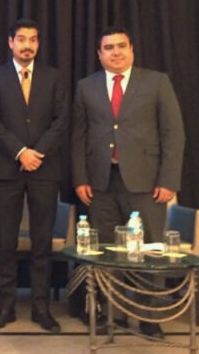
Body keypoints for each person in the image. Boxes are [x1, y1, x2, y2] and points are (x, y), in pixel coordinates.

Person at [71, 26, 185, 338]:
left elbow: (173, 134)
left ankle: (150, 318)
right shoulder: (86, 87)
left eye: (121, 46)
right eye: (109, 48)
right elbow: (78, 136)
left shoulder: (156, 82)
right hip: (100, 183)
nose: (116, 52)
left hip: (147, 183)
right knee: (107, 252)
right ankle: (112, 314)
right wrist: (80, 178)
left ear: (131, 49)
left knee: (148, 251)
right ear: (99, 54)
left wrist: (168, 179)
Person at [0, 19, 69, 333]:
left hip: (45, 168)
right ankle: (5, 307)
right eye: (21, 39)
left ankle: (40, 307)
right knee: (6, 241)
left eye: (33, 40)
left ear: (38, 44)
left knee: (41, 242)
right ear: (11, 42)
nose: (27, 45)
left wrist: (37, 153)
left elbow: (61, 120)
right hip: (7, 168)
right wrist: (20, 152)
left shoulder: (54, 77)